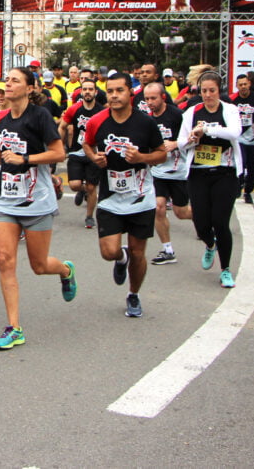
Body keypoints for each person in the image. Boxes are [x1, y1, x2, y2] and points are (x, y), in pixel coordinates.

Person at [0, 67, 76, 350]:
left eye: (15, 80)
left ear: (30, 88)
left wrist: (25, 159)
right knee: (5, 260)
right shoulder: (1, 117)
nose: (7, 84)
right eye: (6, 80)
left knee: (39, 265)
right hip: (6, 199)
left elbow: (59, 153)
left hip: (37, 200)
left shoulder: (40, 116)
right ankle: (14, 328)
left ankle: (65, 271)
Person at [83, 73, 166, 317]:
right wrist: (94, 157)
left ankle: (133, 294)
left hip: (141, 197)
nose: (114, 95)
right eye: (110, 91)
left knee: (139, 252)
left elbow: (162, 153)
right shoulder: (97, 121)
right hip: (110, 197)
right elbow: (87, 143)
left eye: (119, 90)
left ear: (131, 92)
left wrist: (142, 158)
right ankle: (121, 258)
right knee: (109, 251)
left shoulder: (146, 123)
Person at [178, 71, 243, 288]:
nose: (207, 95)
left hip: (224, 172)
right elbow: (180, 142)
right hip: (198, 173)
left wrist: (206, 128)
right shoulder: (191, 112)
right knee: (201, 223)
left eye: (212, 91)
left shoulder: (230, 110)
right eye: (203, 91)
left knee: (221, 222)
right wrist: (192, 139)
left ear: (219, 91)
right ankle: (209, 244)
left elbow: (235, 133)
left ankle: (225, 269)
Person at [144, 82, 192, 265]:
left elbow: (193, 137)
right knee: (158, 207)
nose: (150, 102)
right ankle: (168, 250)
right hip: (158, 172)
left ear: (163, 97)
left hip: (178, 171)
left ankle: (206, 220)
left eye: (153, 98)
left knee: (181, 212)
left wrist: (176, 144)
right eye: (147, 99)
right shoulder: (148, 120)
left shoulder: (177, 115)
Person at [60, 79, 104, 228]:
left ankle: (89, 217)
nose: (87, 92)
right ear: (81, 92)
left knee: (92, 187)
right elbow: (63, 126)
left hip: (94, 153)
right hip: (77, 152)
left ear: (95, 92)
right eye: (84, 89)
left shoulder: (102, 111)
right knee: (74, 184)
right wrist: (60, 145)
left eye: (90, 89)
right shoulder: (74, 109)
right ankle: (82, 190)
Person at [230, 75, 254, 204]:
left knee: (252, 168)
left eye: (245, 84)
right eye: (240, 85)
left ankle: (248, 191)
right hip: (239, 137)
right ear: (237, 86)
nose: (243, 87)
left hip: (253, 137)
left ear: (249, 84)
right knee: (241, 162)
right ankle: (239, 184)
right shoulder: (232, 99)